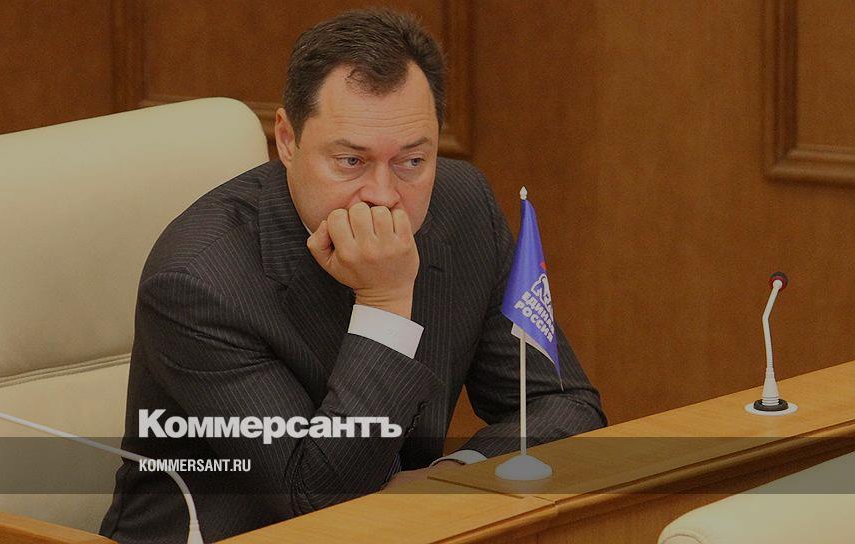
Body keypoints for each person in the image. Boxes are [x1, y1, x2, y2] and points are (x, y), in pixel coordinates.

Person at [100, 8, 605, 543]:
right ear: (288, 140)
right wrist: (386, 301)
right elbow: (317, 500)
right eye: (350, 161)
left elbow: (565, 407)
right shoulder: (197, 283)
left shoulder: (463, 208)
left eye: (412, 161)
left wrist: (453, 477)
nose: (383, 196)